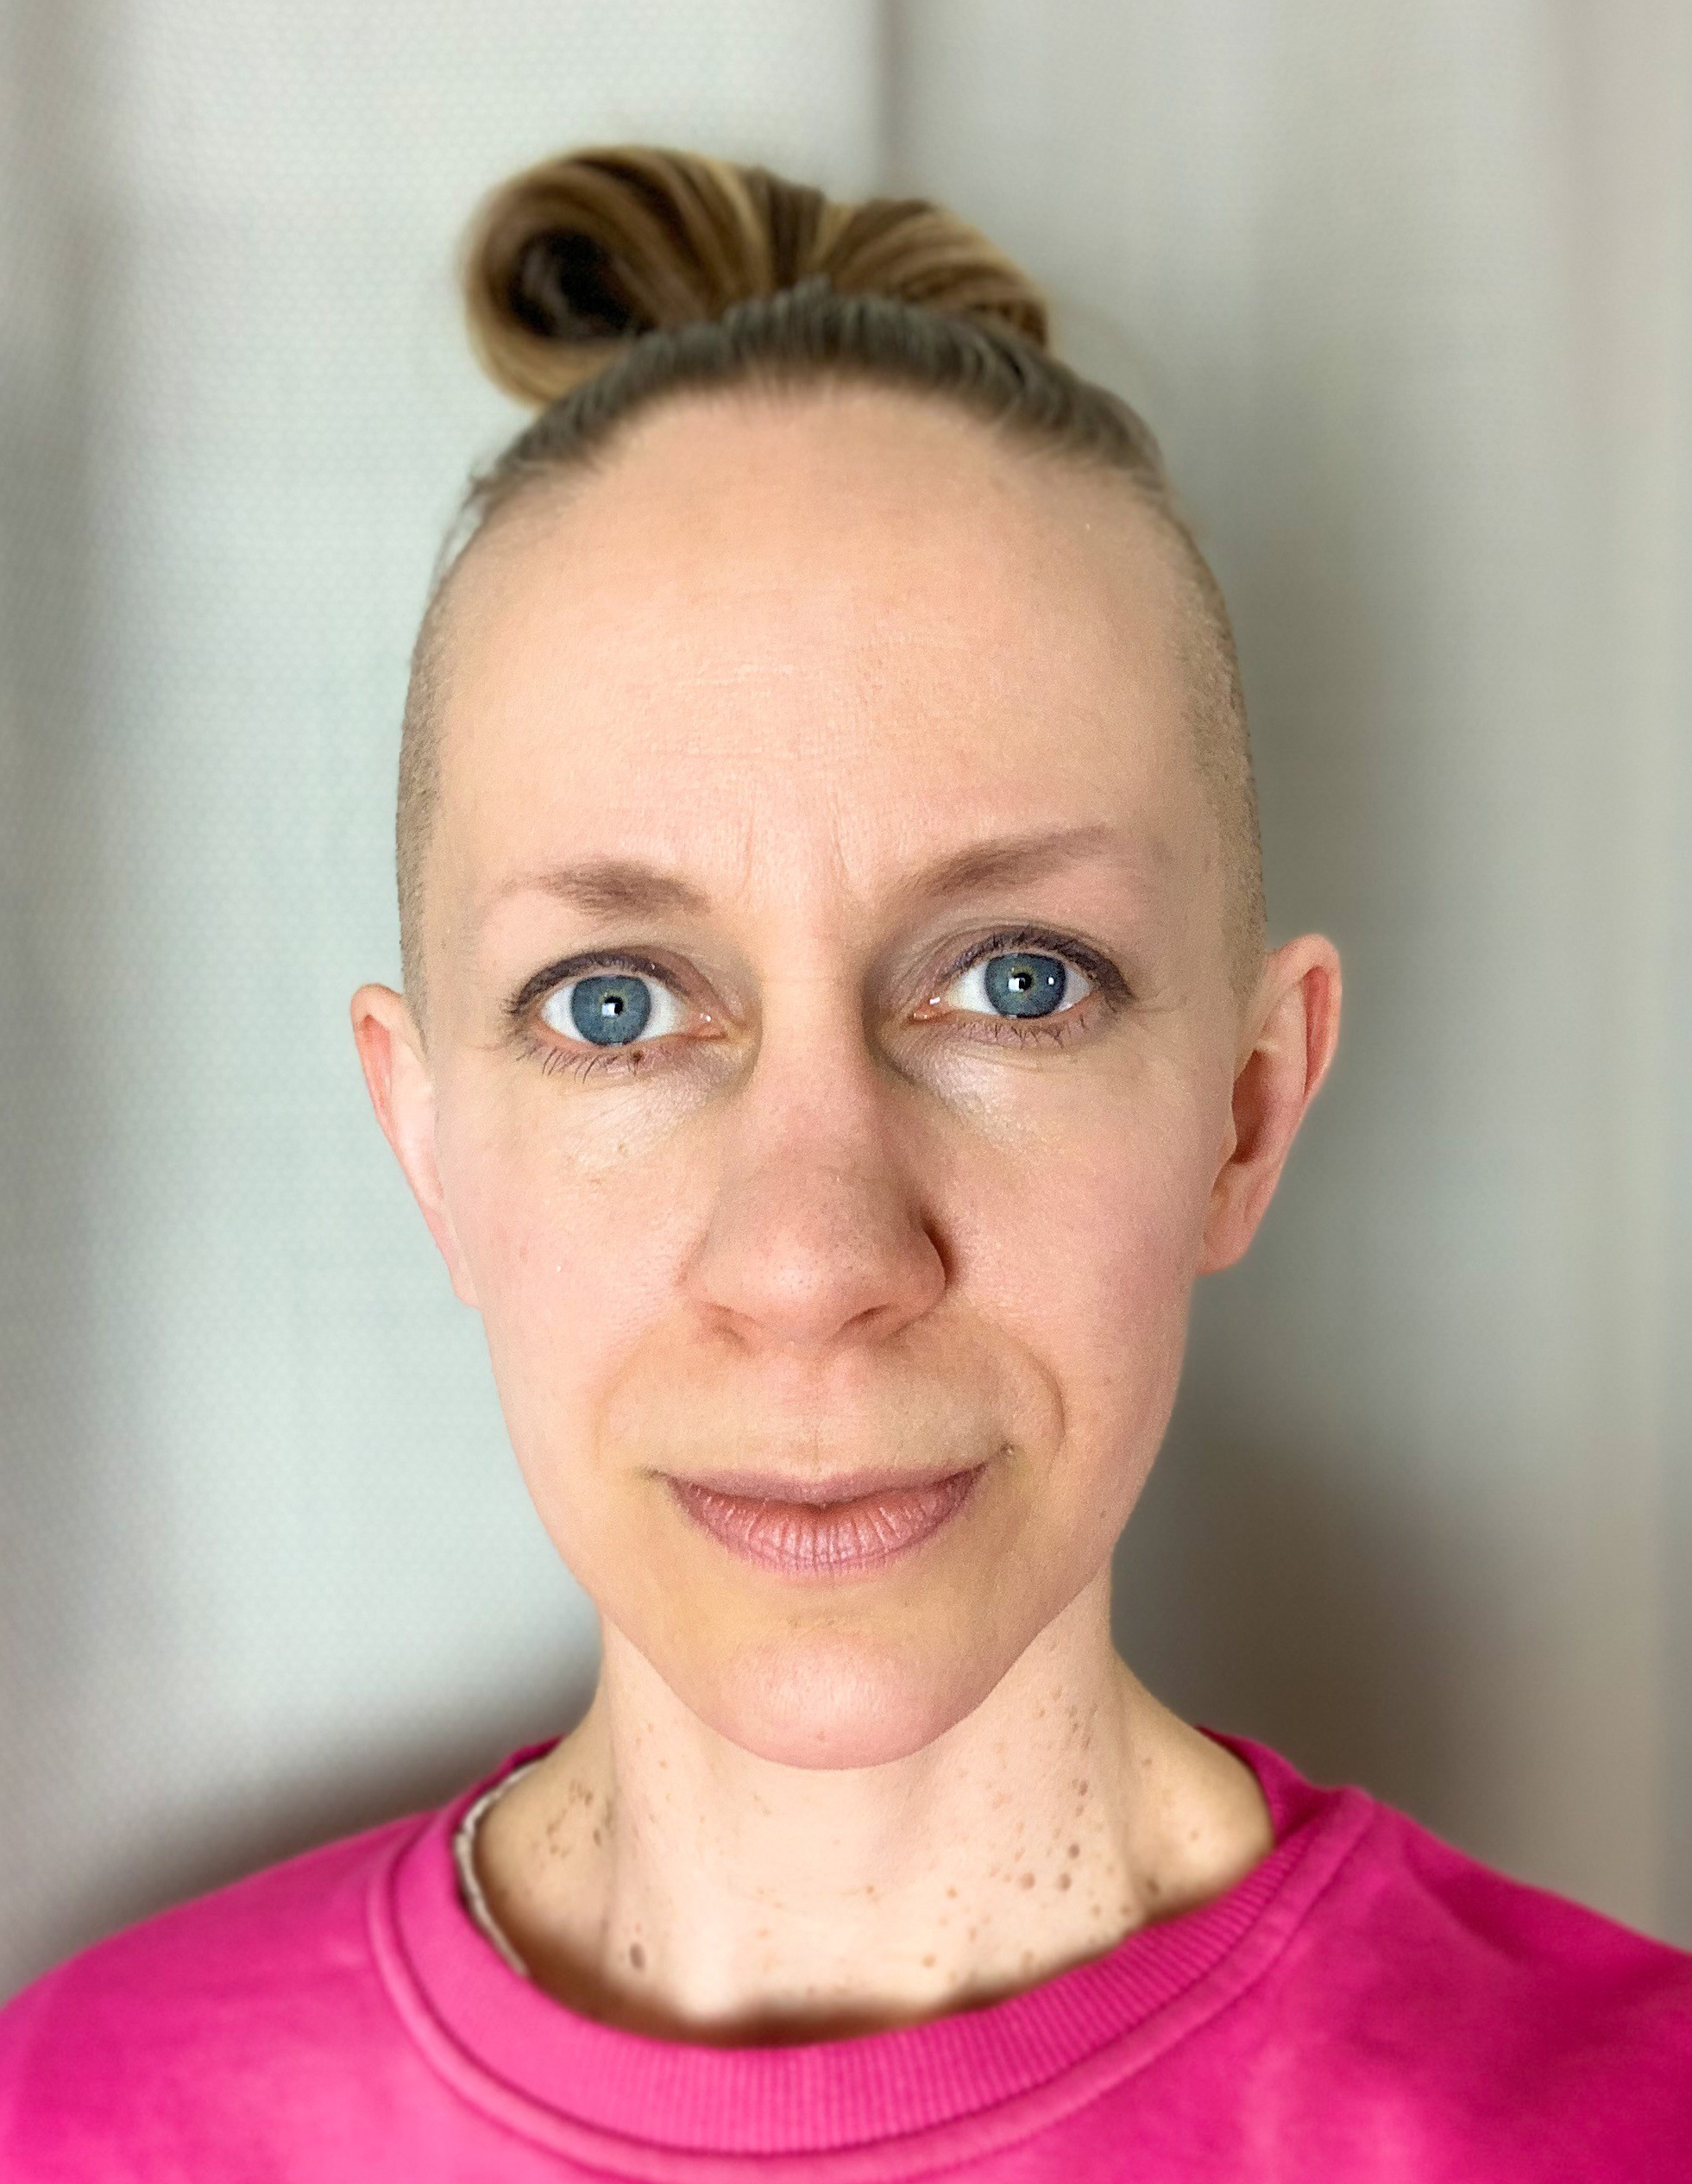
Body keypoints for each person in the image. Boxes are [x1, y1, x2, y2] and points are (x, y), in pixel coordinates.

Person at [1, 142, 1687, 2181]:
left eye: (1015, 982)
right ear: (428, 1145)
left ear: (1249, 1107)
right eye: (614, 1005)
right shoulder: (75, 2124)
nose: (812, 1259)